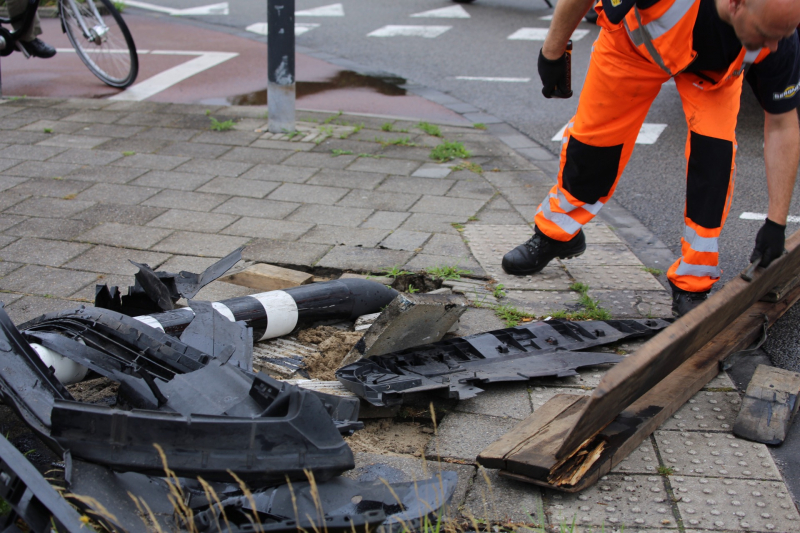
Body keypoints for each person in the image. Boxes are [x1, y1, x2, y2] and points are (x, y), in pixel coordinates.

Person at [501, 0, 800, 316]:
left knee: (714, 161)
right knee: (593, 147)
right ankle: (556, 233)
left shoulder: (779, 39)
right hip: (632, 48)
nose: (773, 45)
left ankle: (693, 281)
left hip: (711, 77)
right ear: (735, 4)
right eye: (766, 33)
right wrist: (553, 50)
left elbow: (782, 126)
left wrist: (776, 223)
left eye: (783, 34)